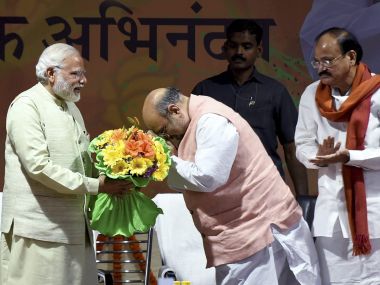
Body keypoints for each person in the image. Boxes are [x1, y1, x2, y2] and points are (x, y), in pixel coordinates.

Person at [142, 87, 320, 285]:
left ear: (175, 110)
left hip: (259, 231)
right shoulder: (192, 122)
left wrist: (163, 158)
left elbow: (208, 178)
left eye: (164, 131)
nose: (165, 138)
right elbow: (187, 182)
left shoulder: (211, 121)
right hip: (241, 237)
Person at [0, 43, 130, 285]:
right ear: (51, 74)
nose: (83, 80)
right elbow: (38, 166)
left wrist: (122, 173)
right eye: (75, 74)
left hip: (73, 228)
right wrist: (97, 185)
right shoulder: (27, 105)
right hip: (39, 231)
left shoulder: (70, 106)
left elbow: (82, 162)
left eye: (84, 73)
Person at [295, 27, 380, 284]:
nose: (321, 68)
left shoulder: (377, 93)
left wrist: (349, 157)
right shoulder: (311, 94)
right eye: (317, 62)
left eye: (328, 61)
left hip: (374, 216)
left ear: (351, 57)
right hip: (330, 215)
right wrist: (316, 156)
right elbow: (302, 145)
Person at [192, 19, 309, 196]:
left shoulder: (275, 92)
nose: (239, 52)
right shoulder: (204, 90)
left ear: (258, 51)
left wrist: (304, 199)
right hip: (217, 191)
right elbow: (190, 144)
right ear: (224, 48)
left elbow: (292, 149)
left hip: (266, 187)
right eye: (233, 46)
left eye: (246, 46)